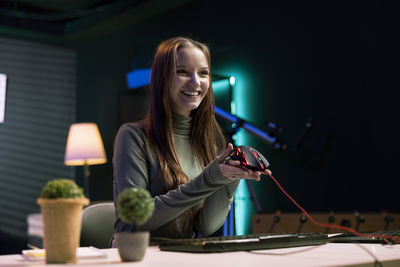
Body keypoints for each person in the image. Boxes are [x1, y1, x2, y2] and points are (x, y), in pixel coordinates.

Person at [112, 36, 269, 241]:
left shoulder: (209, 144)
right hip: (140, 255)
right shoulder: (133, 137)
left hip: (185, 254)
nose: (196, 82)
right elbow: (132, 220)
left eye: (203, 73)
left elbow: (207, 225)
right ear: (162, 79)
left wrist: (230, 178)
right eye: (182, 72)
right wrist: (209, 178)